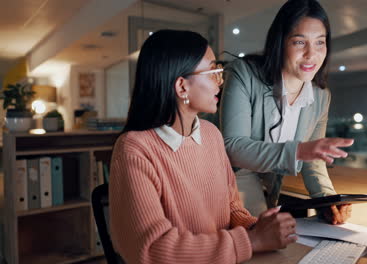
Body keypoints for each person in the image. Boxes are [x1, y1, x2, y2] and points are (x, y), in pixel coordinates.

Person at [109, 29, 297, 264]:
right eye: (213, 72)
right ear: (182, 87)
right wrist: (253, 241)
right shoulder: (134, 150)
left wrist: (256, 227)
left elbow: (231, 209)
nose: (221, 81)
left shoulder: (211, 135)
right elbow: (152, 249)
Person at [220, 0, 354, 223]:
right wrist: (299, 151)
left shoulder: (320, 96)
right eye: (300, 42)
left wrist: (327, 199)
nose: (311, 54)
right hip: (232, 176)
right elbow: (233, 147)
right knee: (262, 239)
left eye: (320, 43)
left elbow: (313, 159)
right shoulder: (244, 74)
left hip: (270, 184)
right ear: (280, 43)